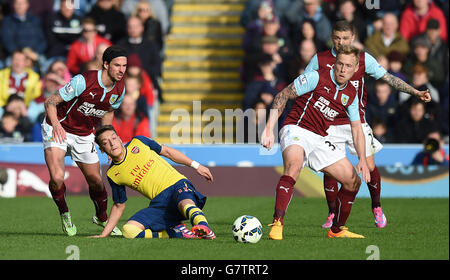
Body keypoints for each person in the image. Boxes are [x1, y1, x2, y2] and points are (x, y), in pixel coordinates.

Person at [304, 20, 431, 229]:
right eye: (336, 38)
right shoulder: (320, 59)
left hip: (357, 121)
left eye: (345, 38)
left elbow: (389, 78)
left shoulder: (363, 59)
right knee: (331, 170)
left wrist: (415, 92)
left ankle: (377, 206)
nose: (340, 42)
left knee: (369, 165)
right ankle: (332, 213)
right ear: (332, 37)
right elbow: (303, 85)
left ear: (352, 39)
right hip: (328, 121)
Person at [262, 45, 371, 240]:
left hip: (321, 137)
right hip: (297, 128)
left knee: (353, 181)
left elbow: (356, 128)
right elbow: (283, 95)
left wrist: (362, 158)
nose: (343, 69)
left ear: (356, 69)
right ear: (335, 63)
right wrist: (269, 128)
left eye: (348, 66)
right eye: (340, 64)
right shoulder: (316, 77)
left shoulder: (352, 95)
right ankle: (278, 222)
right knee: (294, 165)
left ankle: (337, 229)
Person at [41, 45, 128, 236]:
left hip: (84, 134)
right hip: (58, 126)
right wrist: (55, 125)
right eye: (117, 65)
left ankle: (102, 218)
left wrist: (105, 138)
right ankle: (65, 214)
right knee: (57, 178)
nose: (121, 70)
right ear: (106, 64)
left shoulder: (120, 89)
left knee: (96, 181)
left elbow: (109, 111)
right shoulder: (84, 81)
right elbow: (50, 102)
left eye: (124, 66)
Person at [90, 125, 215, 239]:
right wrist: (104, 234)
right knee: (129, 231)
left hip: (177, 185)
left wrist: (196, 166)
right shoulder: (113, 174)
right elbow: (119, 205)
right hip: (160, 203)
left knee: (185, 204)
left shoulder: (138, 142)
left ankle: (204, 228)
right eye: (106, 142)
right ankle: (176, 233)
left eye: (114, 138)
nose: (112, 143)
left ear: (119, 138)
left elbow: (168, 152)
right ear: (102, 149)